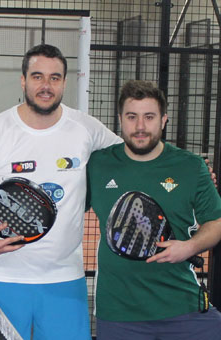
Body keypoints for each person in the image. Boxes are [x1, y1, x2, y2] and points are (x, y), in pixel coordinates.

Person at [0, 44, 121, 340]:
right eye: (38, 77)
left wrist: (185, 168)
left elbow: (130, 156)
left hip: (64, 282)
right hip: (1, 278)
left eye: (55, 78)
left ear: (65, 83)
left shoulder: (85, 128)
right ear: (23, 80)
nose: (46, 86)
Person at [86, 80, 221, 340]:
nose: (140, 127)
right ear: (120, 120)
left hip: (183, 307)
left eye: (149, 117)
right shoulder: (98, 164)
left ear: (163, 120)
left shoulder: (191, 166)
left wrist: (190, 247)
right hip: (119, 314)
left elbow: (216, 222)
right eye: (132, 117)